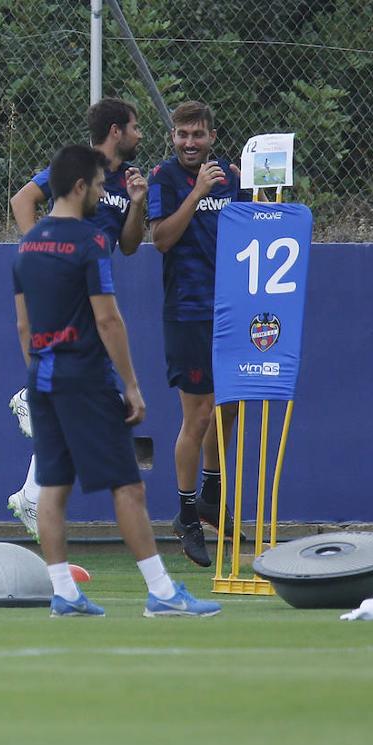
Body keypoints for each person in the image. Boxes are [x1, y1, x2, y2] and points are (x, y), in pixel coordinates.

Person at [13, 143, 220, 618]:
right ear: (82, 187)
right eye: (102, 186)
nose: (106, 192)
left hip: (42, 377)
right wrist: (130, 385)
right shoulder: (89, 244)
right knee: (128, 486)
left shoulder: (27, 246)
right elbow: (108, 321)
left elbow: (24, 326)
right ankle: (162, 593)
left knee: (53, 487)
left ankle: (63, 592)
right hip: (86, 376)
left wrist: (37, 370)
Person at [6, 97, 147, 540]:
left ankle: (32, 492)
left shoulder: (128, 181)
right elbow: (22, 199)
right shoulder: (77, 167)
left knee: (79, 389)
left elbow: (127, 245)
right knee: (91, 378)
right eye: (135, 127)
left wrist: (139, 205)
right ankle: (31, 397)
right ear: (114, 131)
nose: (141, 134)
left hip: (95, 276)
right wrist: (44, 248)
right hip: (71, 279)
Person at [148, 101, 248, 567]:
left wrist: (260, 191)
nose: (190, 142)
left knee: (228, 408)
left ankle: (212, 492)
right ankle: (186, 514)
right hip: (187, 311)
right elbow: (162, 239)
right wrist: (197, 192)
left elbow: (254, 227)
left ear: (211, 135)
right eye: (182, 134)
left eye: (198, 135)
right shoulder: (163, 178)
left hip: (230, 310)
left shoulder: (228, 174)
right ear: (173, 137)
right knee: (199, 413)